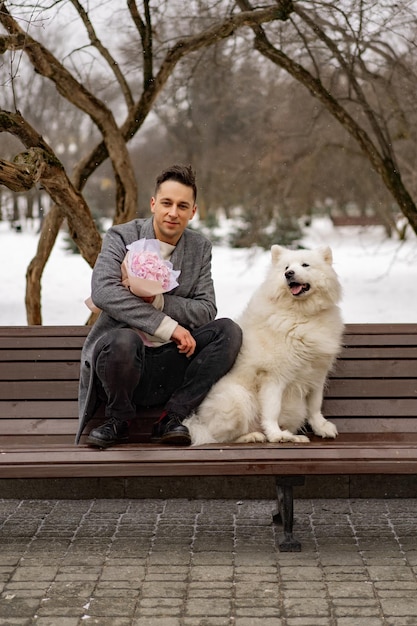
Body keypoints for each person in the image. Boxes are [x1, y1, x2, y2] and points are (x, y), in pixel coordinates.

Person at [75, 164, 242, 448]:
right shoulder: (121, 236)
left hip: (172, 364)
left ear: (193, 211)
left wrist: (159, 300)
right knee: (123, 340)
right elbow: (103, 292)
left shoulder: (200, 248)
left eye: (182, 205)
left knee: (228, 331)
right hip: (121, 366)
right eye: (166, 203)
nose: (173, 212)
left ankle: (173, 417)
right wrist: (169, 326)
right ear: (153, 204)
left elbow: (205, 309)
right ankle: (118, 420)